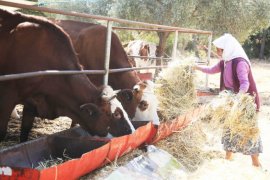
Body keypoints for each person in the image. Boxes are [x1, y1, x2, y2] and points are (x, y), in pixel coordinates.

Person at [194, 33, 262, 167]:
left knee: (248, 130)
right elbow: (211, 69)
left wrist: (237, 99)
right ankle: (228, 159)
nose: (218, 52)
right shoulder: (225, 61)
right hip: (231, 99)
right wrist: (196, 67)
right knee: (229, 129)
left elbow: (244, 84)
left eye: (220, 50)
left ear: (228, 49)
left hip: (244, 101)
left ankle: (256, 163)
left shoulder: (240, 62)